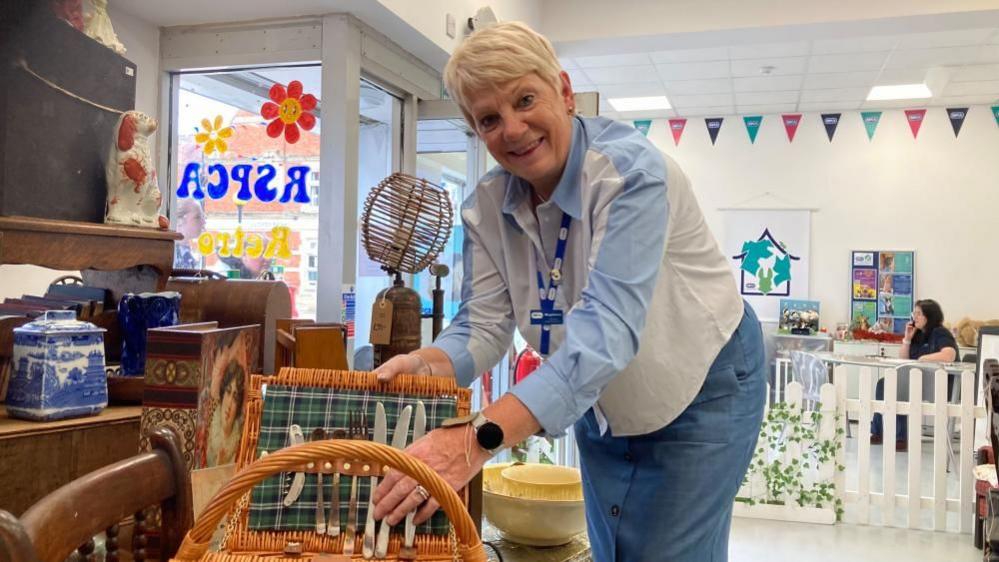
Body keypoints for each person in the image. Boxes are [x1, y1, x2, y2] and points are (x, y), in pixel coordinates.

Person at [370, 21, 765, 561]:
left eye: (525, 99)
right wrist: (429, 363)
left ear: (564, 91)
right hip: (601, 396)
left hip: (704, 382)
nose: (512, 129)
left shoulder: (629, 175)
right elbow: (484, 325)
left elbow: (605, 332)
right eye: (489, 118)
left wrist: (474, 440)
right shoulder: (487, 205)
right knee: (616, 550)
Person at [871, 299, 958, 451]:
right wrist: (907, 339)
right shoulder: (918, 335)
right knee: (883, 384)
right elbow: (903, 360)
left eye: (919, 314)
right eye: (914, 313)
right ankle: (878, 431)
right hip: (919, 381)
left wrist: (922, 359)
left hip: (938, 384)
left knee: (898, 387)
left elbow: (949, 354)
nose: (914, 317)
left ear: (929, 317)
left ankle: (900, 437)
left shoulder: (939, 332)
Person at [206, 358, 246, 466]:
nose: (229, 404)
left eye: (235, 398)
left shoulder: (241, 440)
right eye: (228, 392)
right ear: (223, 393)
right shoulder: (210, 429)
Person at [173, 198, 206, 270]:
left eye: (203, 217)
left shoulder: (190, 253)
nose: (203, 222)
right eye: (197, 217)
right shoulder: (171, 254)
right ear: (180, 221)